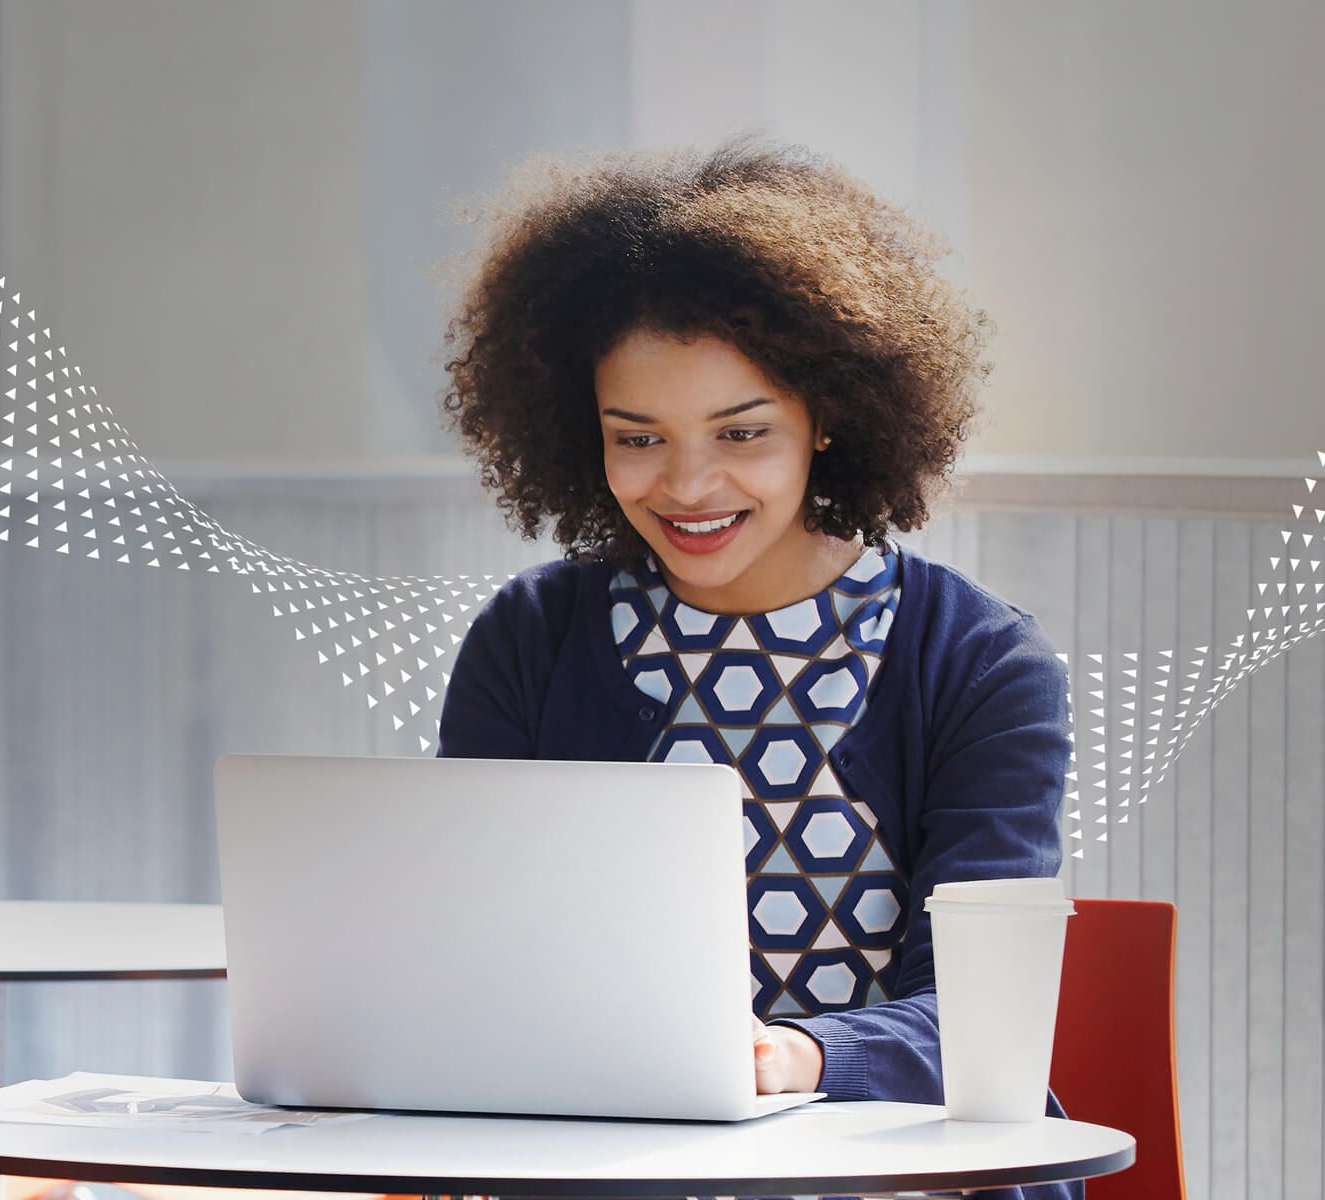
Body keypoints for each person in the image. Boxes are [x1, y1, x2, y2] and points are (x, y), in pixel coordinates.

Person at [433, 133, 1080, 1200]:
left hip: (896, 1173)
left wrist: (795, 1058)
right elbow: (469, 951)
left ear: (826, 418)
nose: (688, 485)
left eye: (742, 433)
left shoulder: (975, 662)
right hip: (605, 1168)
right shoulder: (531, 638)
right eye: (636, 437)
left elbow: (980, 1018)